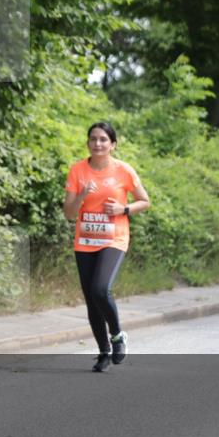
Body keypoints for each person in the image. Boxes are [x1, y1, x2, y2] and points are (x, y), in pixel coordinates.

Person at [63, 122, 150, 371]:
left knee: (101, 289)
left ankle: (117, 336)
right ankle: (103, 352)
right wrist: (82, 195)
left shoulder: (123, 170)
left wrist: (124, 209)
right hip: (86, 241)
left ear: (112, 144)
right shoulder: (78, 171)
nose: (97, 143)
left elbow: (144, 201)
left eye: (103, 139)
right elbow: (69, 213)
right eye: (93, 139)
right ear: (88, 143)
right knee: (91, 299)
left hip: (114, 239)